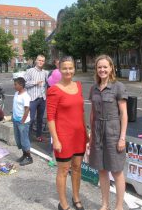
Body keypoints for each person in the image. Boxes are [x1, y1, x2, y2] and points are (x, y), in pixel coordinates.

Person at [47, 56, 87, 210]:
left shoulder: (78, 85)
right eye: (65, 68)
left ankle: (76, 197)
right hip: (63, 136)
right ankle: (63, 203)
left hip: (79, 135)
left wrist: (86, 131)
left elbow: (81, 111)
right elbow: (50, 117)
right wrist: (55, 139)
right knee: (63, 170)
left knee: (77, 167)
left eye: (70, 68)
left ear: (74, 69)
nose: (68, 71)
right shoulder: (54, 90)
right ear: (60, 69)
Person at [89, 55, 128, 210]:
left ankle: (119, 206)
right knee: (102, 170)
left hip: (113, 132)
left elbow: (124, 114)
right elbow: (92, 113)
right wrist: (91, 134)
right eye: (99, 67)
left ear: (111, 68)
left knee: (117, 171)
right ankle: (105, 204)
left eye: (105, 67)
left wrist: (122, 138)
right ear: (96, 69)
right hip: (98, 132)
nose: (102, 70)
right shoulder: (93, 88)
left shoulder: (118, 86)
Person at [24, 55, 48, 142]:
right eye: (39, 60)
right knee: (31, 118)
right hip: (32, 99)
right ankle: (27, 137)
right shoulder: (30, 71)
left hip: (42, 98)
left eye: (43, 61)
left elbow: (49, 83)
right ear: (36, 61)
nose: (41, 62)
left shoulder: (45, 72)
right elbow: (24, 84)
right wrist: (35, 82)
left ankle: (39, 135)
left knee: (40, 118)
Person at [12, 77, 33, 166]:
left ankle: (29, 157)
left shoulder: (26, 96)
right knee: (19, 139)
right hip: (15, 120)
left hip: (22, 122)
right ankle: (24, 155)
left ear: (21, 85)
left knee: (24, 140)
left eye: (15, 84)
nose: (14, 86)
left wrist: (23, 121)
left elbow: (27, 109)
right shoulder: (16, 93)